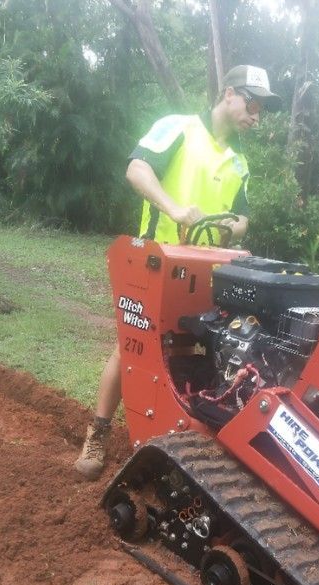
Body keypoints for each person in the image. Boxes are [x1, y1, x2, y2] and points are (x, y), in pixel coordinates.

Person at [74, 65, 281, 480]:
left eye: (262, 109)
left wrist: (230, 226)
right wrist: (172, 208)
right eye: (253, 103)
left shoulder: (239, 162)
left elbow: (243, 218)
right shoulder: (179, 128)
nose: (257, 116)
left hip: (207, 269)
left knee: (190, 348)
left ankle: (175, 441)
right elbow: (136, 169)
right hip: (155, 261)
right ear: (228, 94)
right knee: (133, 346)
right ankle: (97, 432)